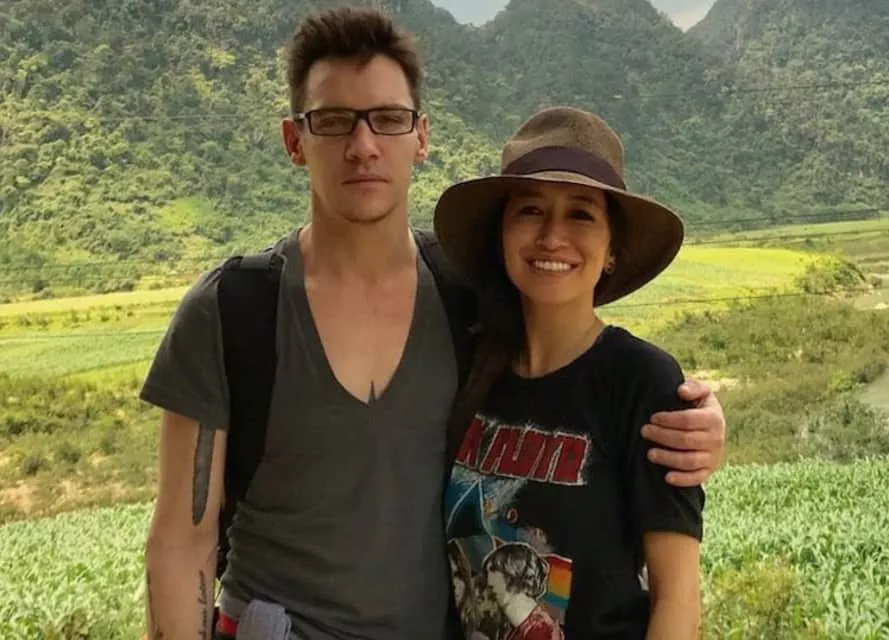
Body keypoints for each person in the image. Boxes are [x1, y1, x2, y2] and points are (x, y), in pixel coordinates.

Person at [139, 7, 725, 640]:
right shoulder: (232, 310)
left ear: (420, 136)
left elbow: (578, 362)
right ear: (293, 140)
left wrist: (697, 423)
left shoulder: (467, 298)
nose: (363, 145)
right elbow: (181, 540)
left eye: (388, 119)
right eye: (333, 120)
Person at [435, 105, 707, 639]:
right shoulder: (470, 369)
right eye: (531, 210)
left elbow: (677, 599)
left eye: (581, 215)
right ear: (501, 236)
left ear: (611, 250)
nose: (552, 235)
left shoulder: (641, 381)